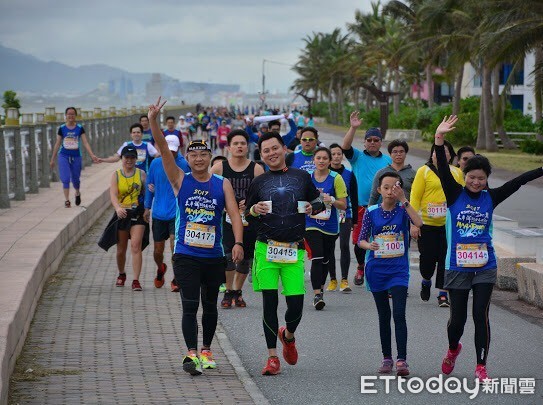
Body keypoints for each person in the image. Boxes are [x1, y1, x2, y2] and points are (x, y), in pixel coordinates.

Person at [433, 115, 543, 382]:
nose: (476, 182)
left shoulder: (490, 197)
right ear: (465, 176)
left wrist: (541, 169)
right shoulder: (454, 192)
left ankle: (481, 365)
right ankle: (452, 349)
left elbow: (518, 182)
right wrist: (439, 138)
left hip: (484, 266)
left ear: (486, 179)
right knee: (457, 322)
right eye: (472, 177)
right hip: (457, 266)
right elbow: (443, 169)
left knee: (480, 315)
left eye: (481, 178)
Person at [148, 97, 244, 376]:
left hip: (213, 256)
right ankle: (191, 354)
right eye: (194, 155)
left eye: (204, 155)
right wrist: (154, 121)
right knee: (190, 306)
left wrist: (237, 242)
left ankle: (207, 350)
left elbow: (234, 215)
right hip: (186, 255)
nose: (199, 159)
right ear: (187, 159)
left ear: (210, 158)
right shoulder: (180, 179)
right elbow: (164, 149)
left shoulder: (221, 183)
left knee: (210, 306)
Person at [245, 131, 325, 376]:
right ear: (262, 155)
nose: (271, 153)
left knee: (296, 306)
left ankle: (288, 336)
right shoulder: (259, 182)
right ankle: (272, 357)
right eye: (266, 151)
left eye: (274, 148)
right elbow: (247, 214)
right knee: (269, 303)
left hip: (294, 250)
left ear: (284, 149)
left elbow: (320, 202)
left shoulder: (301, 177)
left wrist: (314, 206)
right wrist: (254, 209)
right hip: (266, 248)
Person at [358, 172, 423, 377]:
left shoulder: (403, 210)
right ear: (379, 190)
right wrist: (370, 244)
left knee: (399, 314)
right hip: (377, 269)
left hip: (398, 270)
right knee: (384, 315)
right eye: (386, 187)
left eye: (394, 187)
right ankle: (387, 358)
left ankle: (402, 359)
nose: (389, 191)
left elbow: (419, 222)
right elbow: (361, 239)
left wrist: (404, 199)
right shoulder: (371, 211)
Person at [211, 130, 264, 308]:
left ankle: (237, 291)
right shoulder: (219, 168)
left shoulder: (256, 168)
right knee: (227, 256)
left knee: (244, 258)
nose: (239, 146)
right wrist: (226, 206)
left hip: (249, 219)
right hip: (226, 220)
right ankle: (227, 291)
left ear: (247, 147)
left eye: (242, 143)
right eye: (236, 143)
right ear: (228, 147)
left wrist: (249, 205)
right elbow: (209, 191)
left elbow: (263, 194)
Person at [410, 140, 464, 307]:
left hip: (447, 226)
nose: (440, 154)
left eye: (446, 151)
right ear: (432, 154)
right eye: (436, 151)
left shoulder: (456, 173)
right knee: (427, 259)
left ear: (450, 155)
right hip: (426, 223)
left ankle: (442, 293)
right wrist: (414, 223)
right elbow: (415, 198)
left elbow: (460, 198)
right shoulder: (423, 171)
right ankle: (426, 281)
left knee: (444, 259)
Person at [342, 112, 392, 286]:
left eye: (375, 140)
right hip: (360, 207)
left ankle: (379, 271)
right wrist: (353, 127)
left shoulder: (388, 160)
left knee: (381, 240)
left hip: (383, 208)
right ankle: (361, 267)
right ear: (364, 142)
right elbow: (345, 146)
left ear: (380, 142)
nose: (372, 142)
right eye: (369, 140)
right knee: (358, 242)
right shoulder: (357, 157)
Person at [144, 135, 190, 293]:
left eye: (173, 151)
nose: (170, 154)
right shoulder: (156, 164)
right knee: (158, 251)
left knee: (174, 247)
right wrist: (147, 207)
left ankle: (176, 278)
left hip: (176, 214)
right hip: (158, 213)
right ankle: (160, 268)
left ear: (178, 149)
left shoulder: (184, 164)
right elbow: (150, 186)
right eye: (167, 151)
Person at [98, 145, 148, 291]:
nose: (129, 160)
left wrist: (147, 209)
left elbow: (146, 194)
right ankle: (121, 274)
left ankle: (136, 280)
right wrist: (118, 208)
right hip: (122, 214)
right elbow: (113, 195)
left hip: (137, 214)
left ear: (136, 159)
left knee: (136, 246)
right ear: (122, 158)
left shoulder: (142, 174)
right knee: (121, 249)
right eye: (127, 157)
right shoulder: (116, 175)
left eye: (132, 158)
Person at [305, 147, 347, 309]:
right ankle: (316, 295)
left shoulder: (336, 178)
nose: (321, 161)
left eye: (324, 158)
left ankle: (320, 290)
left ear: (330, 161)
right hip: (311, 224)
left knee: (325, 260)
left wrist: (331, 200)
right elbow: (300, 199)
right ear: (314, 160)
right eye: (318, 158)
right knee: (317, 256)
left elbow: (343, 205)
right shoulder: (307, 178)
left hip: (330, 226)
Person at [50, 106, 99, 207]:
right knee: (65, 178)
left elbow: (85, 142)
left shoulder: (80, 128)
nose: (71, 116)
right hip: (63, 155)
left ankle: (77, 192)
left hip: (76, 156)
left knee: (76, 179)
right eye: (69, 114)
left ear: (75, 116)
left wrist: (92, 155)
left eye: (73, 114)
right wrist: (52, 159)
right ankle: (67, 200)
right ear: (66, 116)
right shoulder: (62, 128)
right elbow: (57, 144)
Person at [327, 143, 358, 292]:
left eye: (339, 154)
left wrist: (356, 220)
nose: (337, 156)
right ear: (329, 157)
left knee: (344, 245)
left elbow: (354, 196)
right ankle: (332, 279)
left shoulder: (349, 174)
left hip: (346, 214)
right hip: (327, 215)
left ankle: (344, 280)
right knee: (330, 247)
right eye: (333, 154)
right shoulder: (324, 174)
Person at [368, 139, 416, 206]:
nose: (398, 154)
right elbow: (374, 196)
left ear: (405, 154)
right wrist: (368, 213)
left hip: (406, 211)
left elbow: (417, 197)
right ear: (390, 154)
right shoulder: (381, 173)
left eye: (401, 151)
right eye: (395, 152)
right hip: (386, 211)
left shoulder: (413, 174)